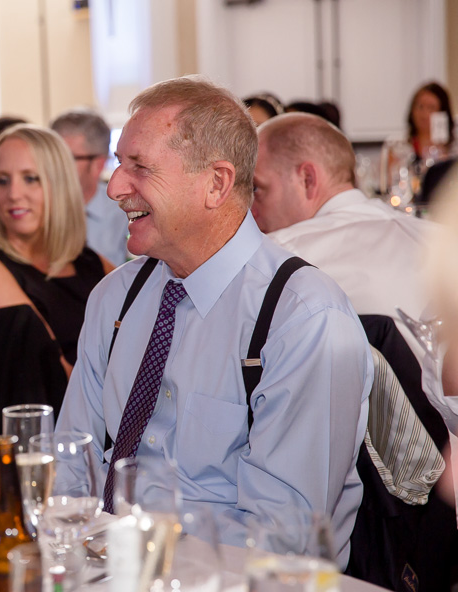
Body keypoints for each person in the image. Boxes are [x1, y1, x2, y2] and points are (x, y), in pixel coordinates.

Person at [56, 77, 371, 567]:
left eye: (139, 167)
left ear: (217, 184)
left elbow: (286, 537)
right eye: (119, 164)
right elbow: (69, 465)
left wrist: (140, 551)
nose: (115, 187)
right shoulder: (115, 298)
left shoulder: (302, 318)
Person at [0, 124, 113, 514]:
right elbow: (64, 377)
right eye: (2, 180)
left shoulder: (89, 264)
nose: (14, 194)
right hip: (27, 476)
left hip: (89, 454)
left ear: (60, 185)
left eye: (32, 179)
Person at [252, 112, 435, 361]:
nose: (250, 209)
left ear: (307, 179)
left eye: (257, 188)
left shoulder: (279, 257)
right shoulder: (439, 239)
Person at [51, 108, 130, 265]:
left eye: (65, 158)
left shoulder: (126, 216)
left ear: (97, 165)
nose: (52, 166)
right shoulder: (34, 210)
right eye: (50, 156)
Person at [405, 81, 455, 164]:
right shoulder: (401, 150)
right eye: (420, 107)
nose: (424, 114)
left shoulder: (453, 149)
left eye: (431, 108)